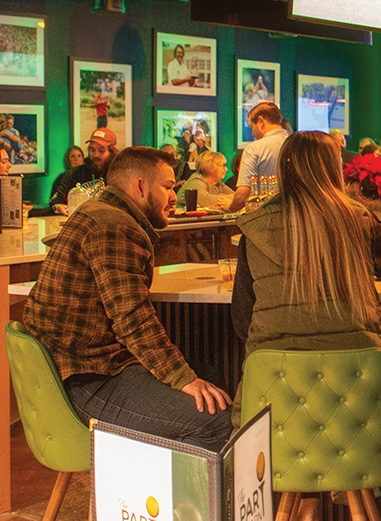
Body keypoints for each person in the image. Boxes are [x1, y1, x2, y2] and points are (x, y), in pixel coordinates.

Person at [23, 147, 231, 450]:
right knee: (215, 419)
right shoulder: (114, 225)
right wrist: (182, 378)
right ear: (140, 186)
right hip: (88, 379)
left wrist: (187, 377)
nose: (175, 197)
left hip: (75, 369)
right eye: (168, 187)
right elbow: (132, 318)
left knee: (212, 378)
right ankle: (169, 498)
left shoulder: (95, 212)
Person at [229, 132, 381, 447]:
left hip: (278, 405)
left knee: (294, 441)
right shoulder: (357, 218)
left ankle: (307, 494)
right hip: (362, 402)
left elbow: (242, 319)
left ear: (283, 169)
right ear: (334, 169)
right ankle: (350, 489)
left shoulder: (253, 227)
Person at [228, 101, 287, 212]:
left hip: (266, 218)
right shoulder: (296, 143)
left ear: (260, 121)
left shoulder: (254, 149)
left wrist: (229, 209)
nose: (252, 132)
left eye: (251, 126)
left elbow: (242, 196)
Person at [49, 127, 119, 215]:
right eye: (92, 150)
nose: (95, 155)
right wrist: (58, 206)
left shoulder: (121, 176)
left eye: (101, 150)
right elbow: (56, 201)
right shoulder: (75, 174)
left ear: (113, 151)